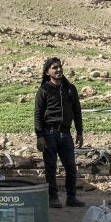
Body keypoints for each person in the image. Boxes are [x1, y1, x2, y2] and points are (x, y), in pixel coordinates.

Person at [34, 57, 85, 208]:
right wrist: (40, 136)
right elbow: (38, 114)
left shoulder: (70, 89)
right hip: (49, 133)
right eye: (54, 67)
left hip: (66, 133)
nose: (58, 70)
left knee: (70, 166)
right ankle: (53, 197)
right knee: (51, 167)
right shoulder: (44, 90)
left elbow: (77, 111)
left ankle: (71, 197)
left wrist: (80, 132)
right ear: (47, 72)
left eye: (60, 67)